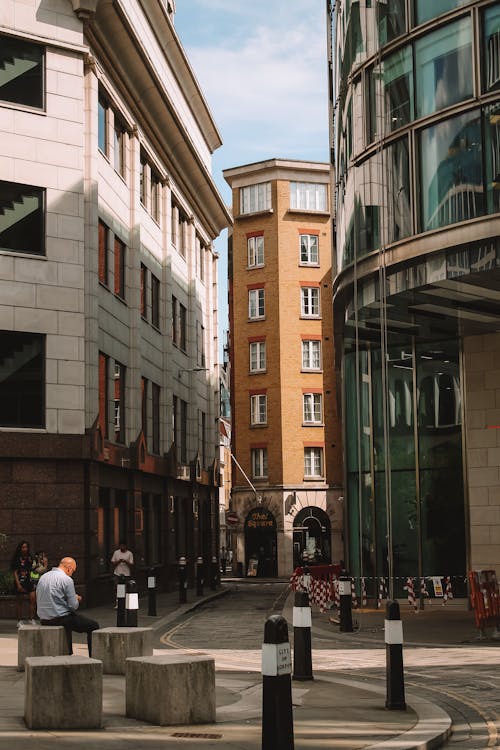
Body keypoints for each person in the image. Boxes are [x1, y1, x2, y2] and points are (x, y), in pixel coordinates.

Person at [36, 557, 99, 657]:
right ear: (69, 568)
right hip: (60, 618)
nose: (72, 573)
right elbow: (73, 606)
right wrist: (77, 598)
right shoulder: (66, 579)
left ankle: (69, 651)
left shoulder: (43, 577)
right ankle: (93, 657)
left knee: (69, 617)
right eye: (73, 571)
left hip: (44, 618)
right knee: (93, 625)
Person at [10, 540, 36, 626]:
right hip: (20, 580)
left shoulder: (30, 557)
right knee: (19, 601)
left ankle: (32, 619)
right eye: (23, 547)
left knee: (33, 598)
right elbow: (14, 572)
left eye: (26, 547)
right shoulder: (16, 558)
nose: (25, 549)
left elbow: (33, 569)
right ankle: (19, 621)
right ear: (20, 548)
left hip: (29, 580)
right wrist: (18, 584)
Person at [111, 542, 134, 606]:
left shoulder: (129, 553)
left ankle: (125, 602)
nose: (122, 547)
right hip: (117, 573)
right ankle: (118, 603)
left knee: (125, 588)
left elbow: (131, 564)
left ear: (125, 546)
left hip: (126, 574)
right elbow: (113, 563)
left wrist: (126, 561)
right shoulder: (116, 552)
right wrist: (119, 561)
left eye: (123, 546)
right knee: (117, 588)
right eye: (121, 546)